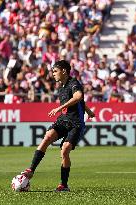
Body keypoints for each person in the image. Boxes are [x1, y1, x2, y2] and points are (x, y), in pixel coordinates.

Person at [20, 60, 95, 191]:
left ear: (64, 71)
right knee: (47, 136)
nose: (53, 74)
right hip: (64, 120)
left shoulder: (74, 83)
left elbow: (78, 97)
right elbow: (79, 100)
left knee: (65, 150)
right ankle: (31, 170)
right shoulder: (61, 86)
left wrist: (60, 108)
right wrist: (88, 111)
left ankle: (64, 185)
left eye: (55, 71)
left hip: (76, 123)